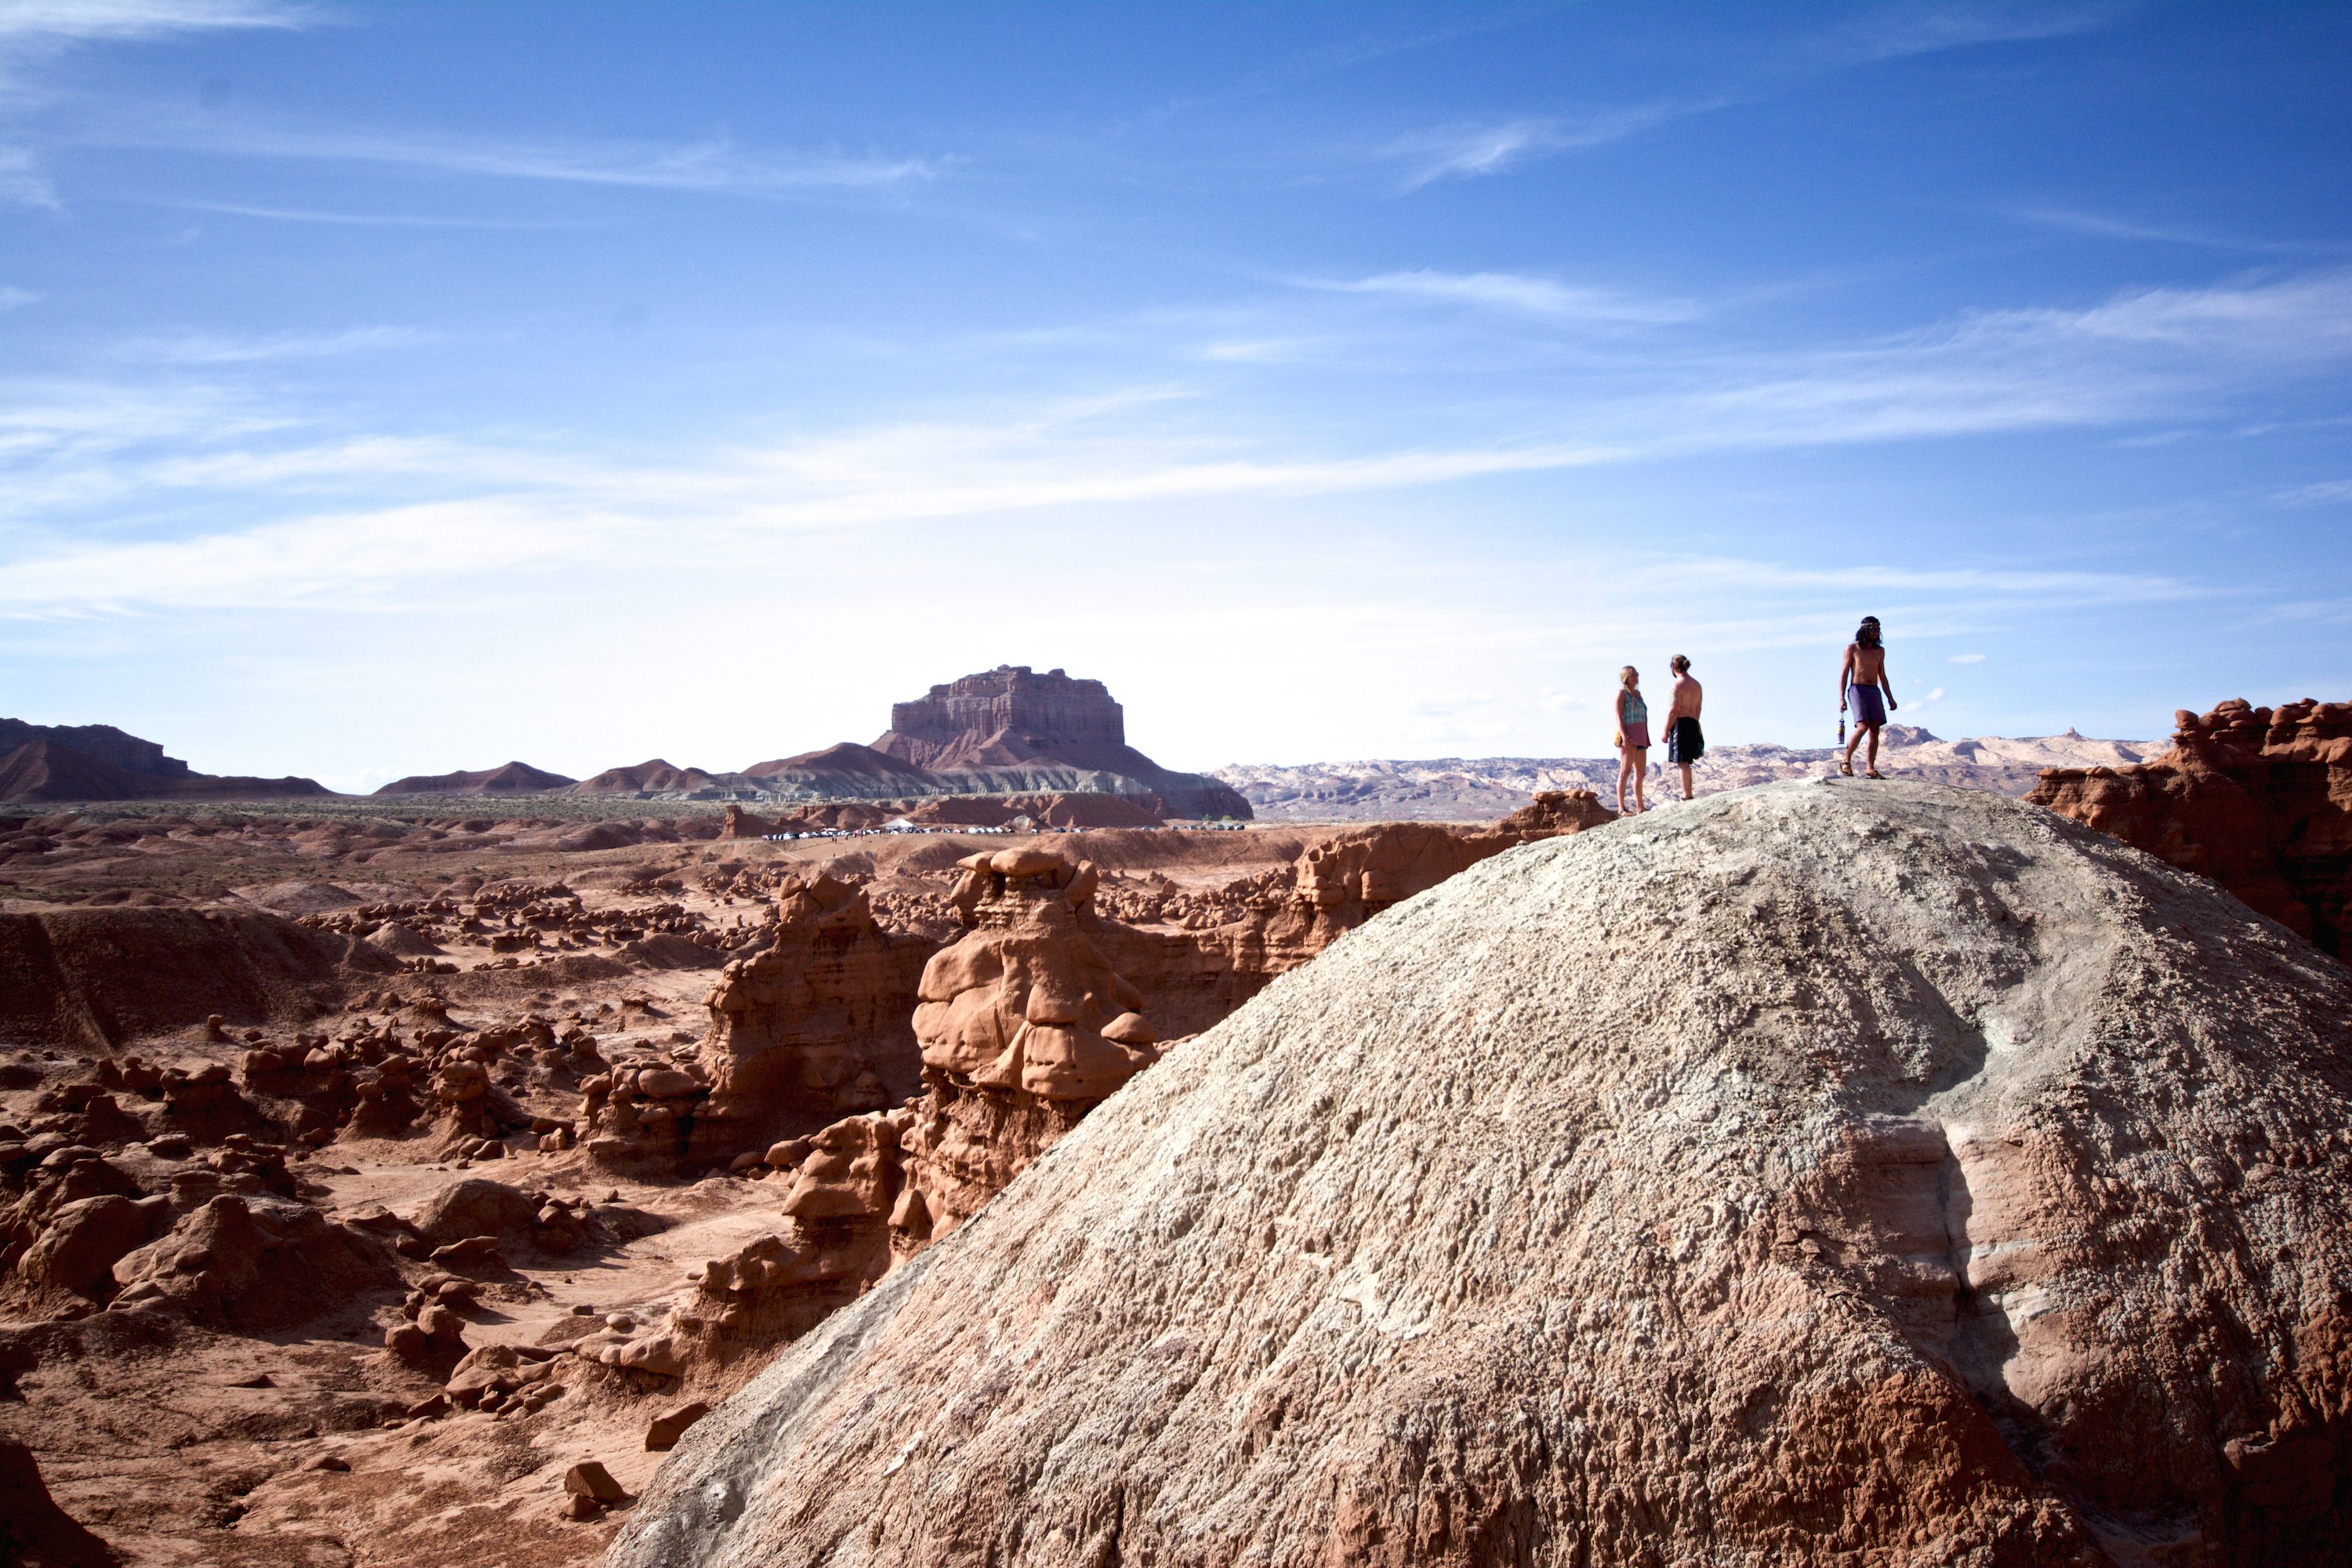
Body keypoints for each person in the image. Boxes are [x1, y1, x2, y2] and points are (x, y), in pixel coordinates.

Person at [1839, 615, 1897, 779]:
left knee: (1875, 730)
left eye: (1878, 629)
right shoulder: (1852, 649)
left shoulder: (1880, 651)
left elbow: (1882, 676)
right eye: (1873, 629)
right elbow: (1844, 674)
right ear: (1864, 629)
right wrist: (1841, 698)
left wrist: (1890, 698)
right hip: (1857, 690)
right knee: (1862, 727)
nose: (1876, 633)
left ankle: (1870, 768)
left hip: (1874, 690)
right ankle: (1845, 760)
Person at [1662, 655, 1704, 800]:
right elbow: (1699, 707)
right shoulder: (1697, 685)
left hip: (1681, 724)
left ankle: (1686, 794)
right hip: (1693, 722)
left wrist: (1665, 731)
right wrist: (1695, 724)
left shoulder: (1677, 686)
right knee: (1686, 761)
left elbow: (1673, 710)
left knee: (1682, 762)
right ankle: (1688, 792)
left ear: (1673, 667)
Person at [1613, 665, 1650, 814]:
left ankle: (1640, 806)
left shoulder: (1638, 694)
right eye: (1632, 675)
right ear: (1626, 678)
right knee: (1625, 771)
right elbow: (1618, 716)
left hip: (1641, 734)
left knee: (1640, 772)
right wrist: (1624, 735)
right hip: (1628, 735)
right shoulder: (1622, 694)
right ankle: (1621, 807)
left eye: (1637, 675)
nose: (1636, 678)